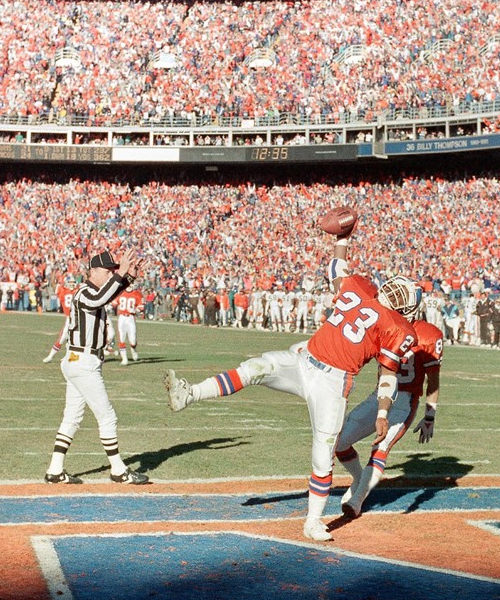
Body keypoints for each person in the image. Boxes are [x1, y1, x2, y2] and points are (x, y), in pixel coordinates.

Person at [164, 232, 418, 542]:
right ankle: (189, 393)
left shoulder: (376, 305)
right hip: (305, 361)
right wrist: (382, 410)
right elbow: (387, 374)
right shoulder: (387, 314)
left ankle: (312, 521)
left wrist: (342, 238)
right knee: (255, 368)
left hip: (332, 382)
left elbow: (337, 266)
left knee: (323, 453)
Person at [43, 249, 149, 486]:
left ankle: (55, 470)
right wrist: (121, 274)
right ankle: (118, 470)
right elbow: (101, 298)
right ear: (93, 271)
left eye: (112, 270)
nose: (110, 274)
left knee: (72, 418)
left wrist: (128, 277)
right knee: (108, 417)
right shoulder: (84, 292)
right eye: (107, 271)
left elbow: (108, 294)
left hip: (79, 361)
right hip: (84, 362)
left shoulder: (93, 291)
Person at [334, 307, 443, 519]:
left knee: (381, 446)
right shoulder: (385, 325)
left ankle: (357, 501)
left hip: (405, 400)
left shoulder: (429, 334)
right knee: (340, 442)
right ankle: (358, 479)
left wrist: (430, 415)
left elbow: (433, 380)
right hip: (380, 394)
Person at [114, 285, 143, 365]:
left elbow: (141, 307)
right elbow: (114, 303)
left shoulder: (137, 294)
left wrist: (137, 310)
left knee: (132, 340)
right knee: (122, 338)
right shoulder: (120, 292)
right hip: (122, 317)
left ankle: (133, 349)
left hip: (130, 317)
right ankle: (124, 359)